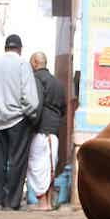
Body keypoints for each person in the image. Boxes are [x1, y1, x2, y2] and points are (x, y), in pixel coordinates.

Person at [0, 34, 40, 210]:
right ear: (19, 48)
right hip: (18, 118)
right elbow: (29, 97)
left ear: (5, 47)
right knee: (17, 161)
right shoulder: (22, 64)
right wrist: (31, 114)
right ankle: (12, 202)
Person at [27, 52, 67, 210]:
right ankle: (48, 202)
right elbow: (63, 108)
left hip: (40, 131)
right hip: (54, 132)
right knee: (49, 167)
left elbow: (36, 105)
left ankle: (43, 203)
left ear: (35, 63)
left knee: (38, 167)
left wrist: (31, 125)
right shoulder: (57, 83)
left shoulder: (36, 79)